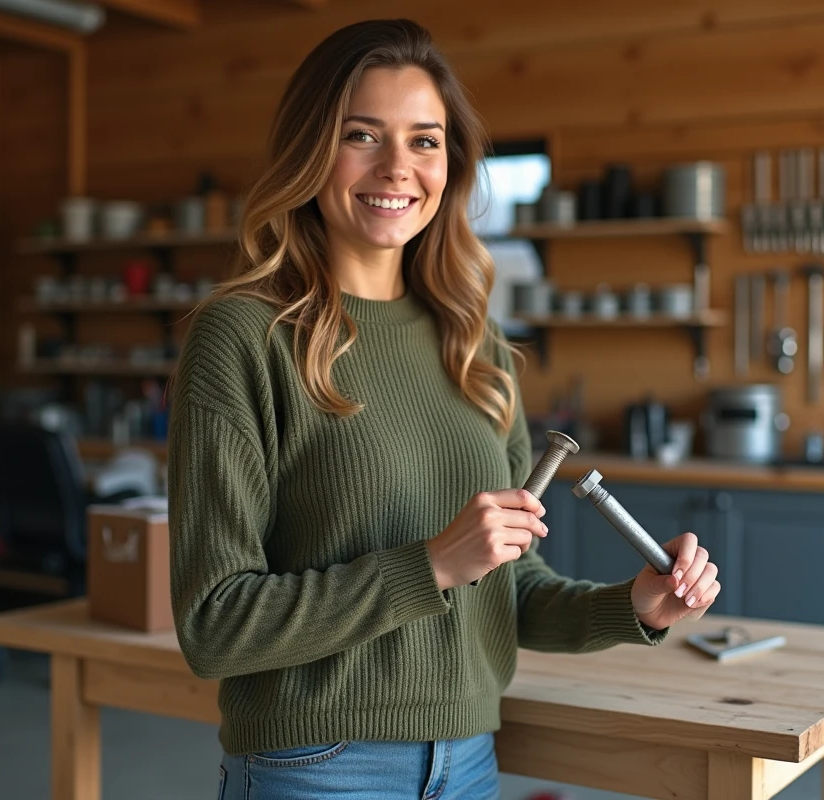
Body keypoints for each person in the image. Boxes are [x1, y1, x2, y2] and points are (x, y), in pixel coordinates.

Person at [167, 18, 721, 800]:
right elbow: (214, 625)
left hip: (468, 763)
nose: (398, 166)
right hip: (318, 770)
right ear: (309, 151)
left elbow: (510, 590)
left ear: (451, 163)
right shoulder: (244, 336)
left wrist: (634, 606)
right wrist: (429, 565)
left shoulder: (473, 341)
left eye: (425, 140)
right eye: (362, 134)